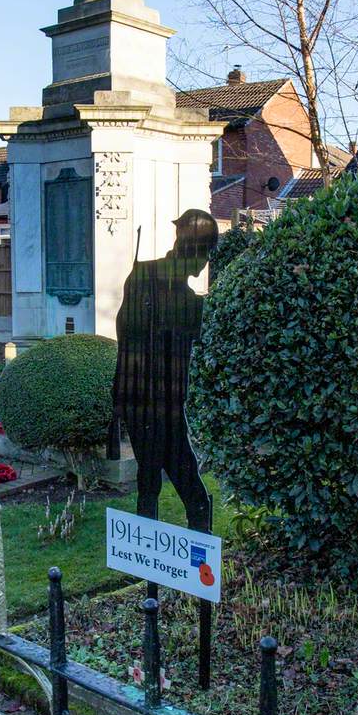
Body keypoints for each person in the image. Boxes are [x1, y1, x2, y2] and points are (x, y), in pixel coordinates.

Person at [108, 208, 219, 531]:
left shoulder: (152, 280)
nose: (205, 263)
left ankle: (166, 556)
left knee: (162, 477)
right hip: (149, 404)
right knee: (170, 477)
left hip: (148, 403)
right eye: (206, 254)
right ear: (193, 251)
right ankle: (161, 558)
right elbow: (127, 335)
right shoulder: (171, 293)